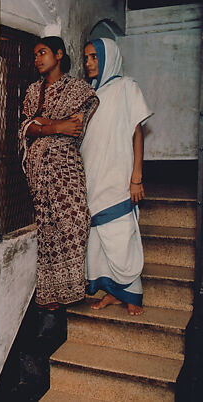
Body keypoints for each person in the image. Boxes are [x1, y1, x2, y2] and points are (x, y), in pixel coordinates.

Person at [19, 36, 99, 309]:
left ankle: (72, 289)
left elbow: (76, 125)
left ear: (59, 54)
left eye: (43, 53)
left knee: (76, 221)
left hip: (66, 166)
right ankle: (51, 296)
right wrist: (55, 127)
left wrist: (43, 123)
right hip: (39, 169)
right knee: (48, 228)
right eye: (34, 55)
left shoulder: (78, 90)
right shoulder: (32, 91)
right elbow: (26, 127)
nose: (38, 59)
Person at [82, 38, 152, 316]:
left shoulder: (127, 87)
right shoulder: (89, 94)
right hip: (93, 177)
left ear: (108, 57)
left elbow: (137, 132)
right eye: (86, 58)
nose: (88, 63)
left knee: (121, 234)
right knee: (98, 238)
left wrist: (137, 176)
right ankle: (112, 293)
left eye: (93, 57)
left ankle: (133, 292)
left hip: (119, 177)